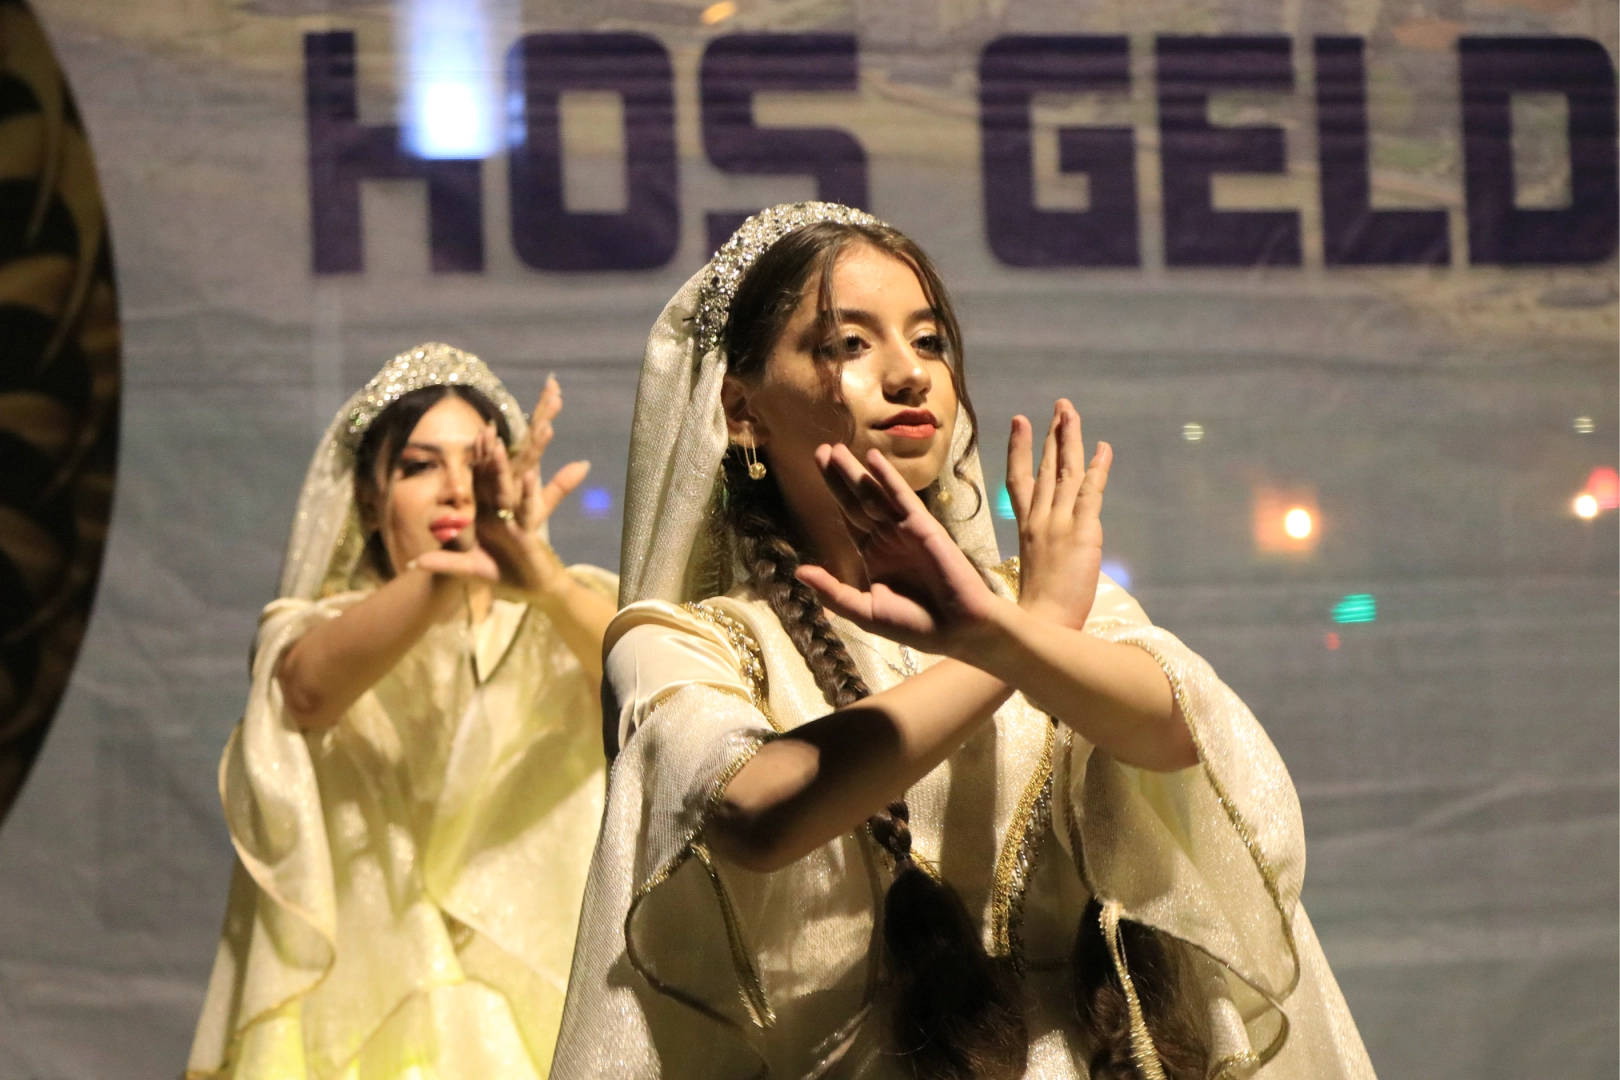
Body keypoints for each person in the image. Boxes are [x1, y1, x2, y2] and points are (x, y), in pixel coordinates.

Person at [552, 204, 1377, 1079]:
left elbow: (1182, 737)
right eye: (848, 344)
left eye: (930, 341)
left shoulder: (1050, 600)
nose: (911, 374)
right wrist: (1016, 640)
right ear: (741, 409)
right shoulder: (687, 641)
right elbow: (755, 813)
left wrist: (1011, 631)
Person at [187, 343, 617, 1080]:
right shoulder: (319, 630)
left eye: (476, 465)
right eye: (420, 467)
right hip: (358, 1039)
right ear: (368, 499)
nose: (456, 490)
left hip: (540, 1032)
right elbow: (305, 693)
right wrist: (457, 571)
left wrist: (544, 584)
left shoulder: (562, 622)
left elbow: (650, 687)